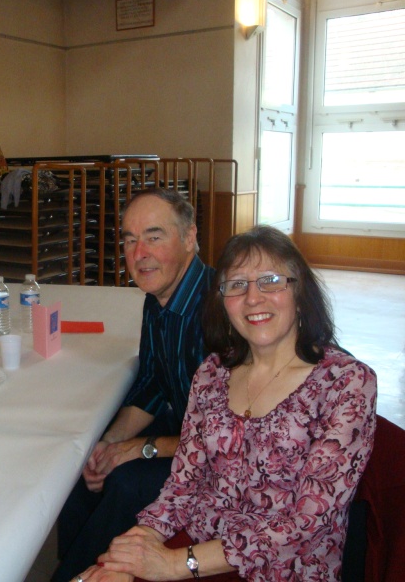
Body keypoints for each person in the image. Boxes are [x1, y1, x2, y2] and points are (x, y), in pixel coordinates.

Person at [75, 225, 377, 582]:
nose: (253, 298)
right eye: (236, 285)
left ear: (301, 293)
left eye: (271, 280)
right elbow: (182, 485)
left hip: (285, 569)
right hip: (202, 549)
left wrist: (174, 564)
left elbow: (305, 522)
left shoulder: (346, 383)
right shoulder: (213, 373)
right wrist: (136, 548)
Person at [53, 188, 215, 581]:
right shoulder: (157, 297)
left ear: (190, 237)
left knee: (127, 481)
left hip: (222, 457)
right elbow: (154, 385)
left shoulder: (218, 313)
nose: (139, 252)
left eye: (154, 236)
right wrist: (109, 443)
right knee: (85, 461)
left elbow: (224, 438)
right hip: (186, 431)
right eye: (129, 239)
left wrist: (140, 449)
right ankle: (75, 568)